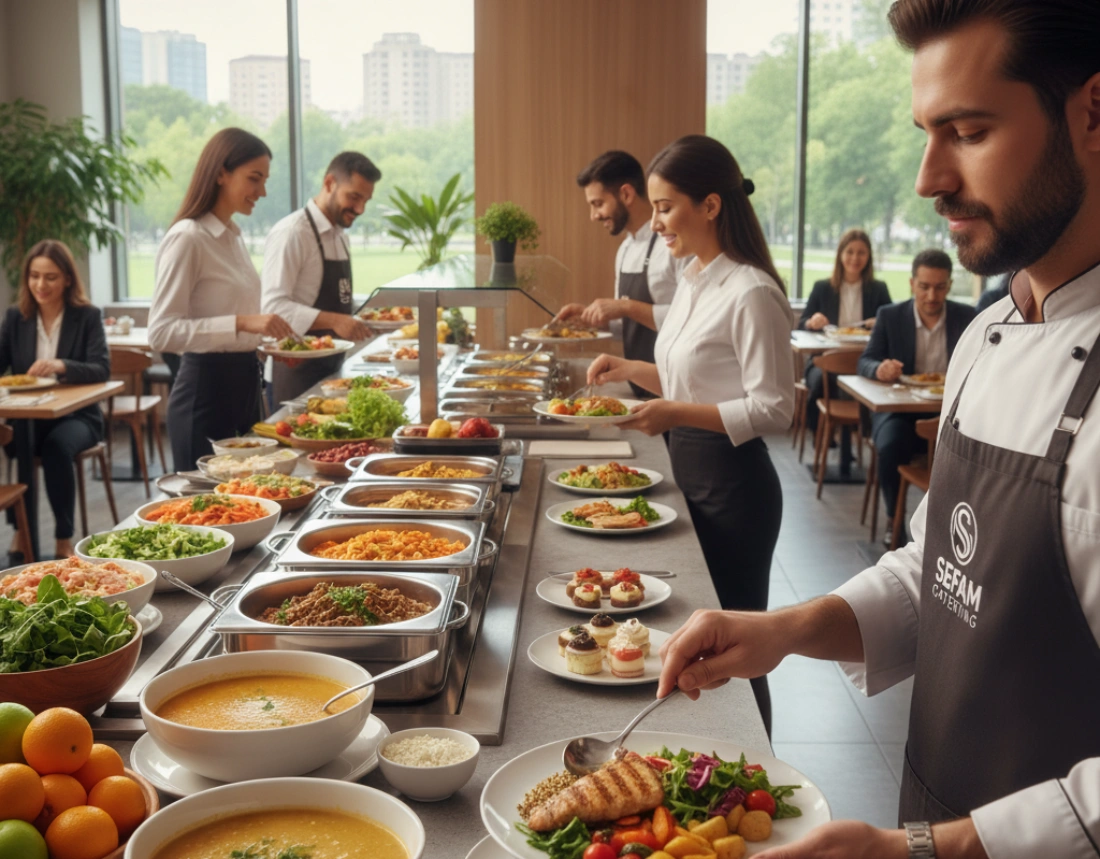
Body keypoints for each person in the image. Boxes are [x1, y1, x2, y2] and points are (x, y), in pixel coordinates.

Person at [657, 1, 1100, 856]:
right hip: (935, 810)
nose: (928, 178)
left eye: (967, 131)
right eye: (926, 132)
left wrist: (934, 848)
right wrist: (783, 630)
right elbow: (942, 571)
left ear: (1092, 112)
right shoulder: (992, 332)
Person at [587, 135, 794, 731]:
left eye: (666, 207)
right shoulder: (696, 278)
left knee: (738, 649)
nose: (656, 222)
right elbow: (688, 376)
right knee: (698, 644)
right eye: (652, 207)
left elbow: (774, 408)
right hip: (692, 466)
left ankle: (760, 764)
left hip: (735, 486)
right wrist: (632, 371)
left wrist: (674, 413)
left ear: (710, 205)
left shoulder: (752, 291)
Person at [149, 128, 295, 472]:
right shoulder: (188, 238)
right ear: (220, 173)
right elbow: (161, 333)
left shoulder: (233, 237)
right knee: (207, 514)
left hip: (245, 386)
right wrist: (242, 323)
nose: (262, 191)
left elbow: (230, 323)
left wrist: (265, 345)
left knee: (248, 502)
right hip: (204, 394)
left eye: (265, 180)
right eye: (254, 179)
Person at [0, 240, 110, 558]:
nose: (40, 285)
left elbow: (101, 367)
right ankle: (23, 528)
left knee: (56, 448)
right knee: (16, 439)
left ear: (67, 279)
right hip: (27, 415)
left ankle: (63, 537)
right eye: (34, 276)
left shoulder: (87, 316)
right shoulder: (16, 317)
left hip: (79, 417)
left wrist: (61, 365)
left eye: (50, 277)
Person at [859, 249, 976, 544]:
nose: (932, 295)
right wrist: (880, 368)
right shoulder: (890, 316)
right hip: (901, 412)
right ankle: (893, 519)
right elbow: (866, 361)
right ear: (912, 284)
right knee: (890, 445)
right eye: (924, 287)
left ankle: (956, 529)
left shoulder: (967, 317)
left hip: (953, 415)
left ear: (949, 285)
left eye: (939, 287)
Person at [556, 150, 686, 398]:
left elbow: (690, 320)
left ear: (626, 194)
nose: (594, 216)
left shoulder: (674, 245)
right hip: (639, 387)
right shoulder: (625, 249)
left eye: (598, 204)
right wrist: (593, 319)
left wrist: (625, 307)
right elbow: (626, 326)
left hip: (674, 388)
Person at [261, 151, 380, 403]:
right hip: (294, 376)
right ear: (329, 183)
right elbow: (272, 307)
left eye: (366, 201)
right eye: (354, 197)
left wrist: (371, 319)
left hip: (333, 374)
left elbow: (341, 300)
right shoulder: (292, 232)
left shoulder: (340, 236)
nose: (360, 209)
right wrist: (336, 321)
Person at [799, 229, 893, 435]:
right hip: (826, 360)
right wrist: (812, 322)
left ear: (868, 257)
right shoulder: (822, 287)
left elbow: (892, 328)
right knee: (819, 380)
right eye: (850, 252)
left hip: (862, 361)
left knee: (873, 384)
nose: (855, 258)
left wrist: (880, 322)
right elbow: (801, 324)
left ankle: (865, 434)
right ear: (840, 254)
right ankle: (820, 433)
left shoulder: (878, 289)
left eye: (861, 253)